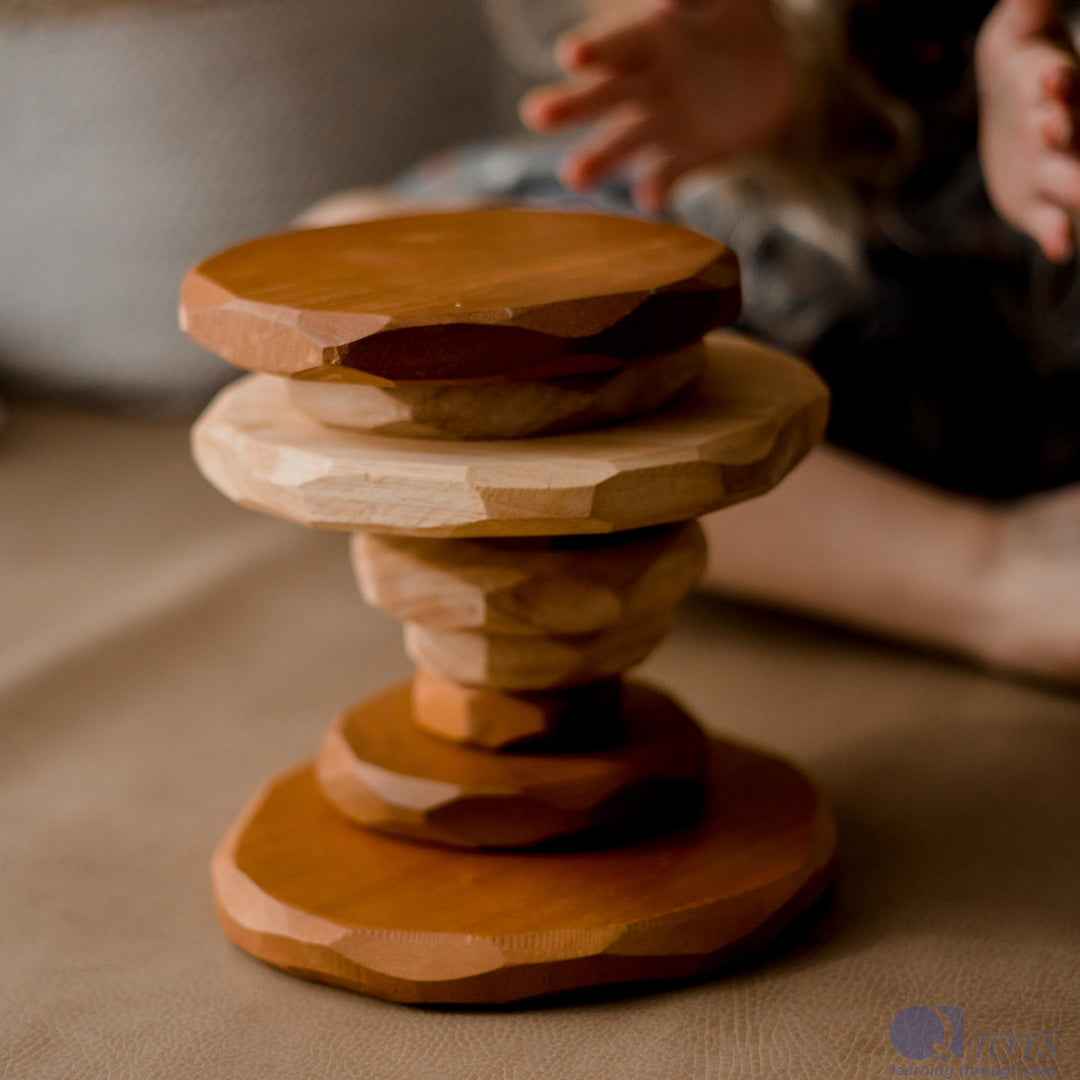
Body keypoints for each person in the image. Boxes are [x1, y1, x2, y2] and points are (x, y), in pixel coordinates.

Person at [301, 0, 1080, 685]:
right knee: (345, 268)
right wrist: (792, 86)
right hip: (788, 234)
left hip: (1033, 307)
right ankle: (992, 575)